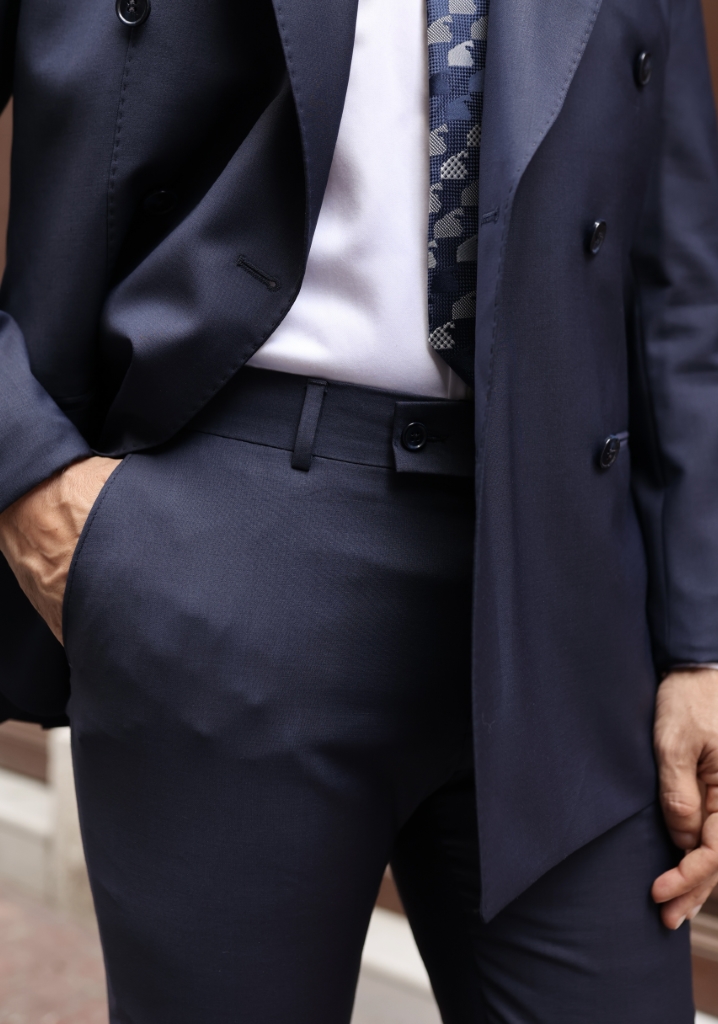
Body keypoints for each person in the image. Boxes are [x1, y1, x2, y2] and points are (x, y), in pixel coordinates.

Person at [0, 0, 715, 1017]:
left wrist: (702, 642)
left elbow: (681, 275)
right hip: (227, 551)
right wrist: (30, 479)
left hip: (562, 578)